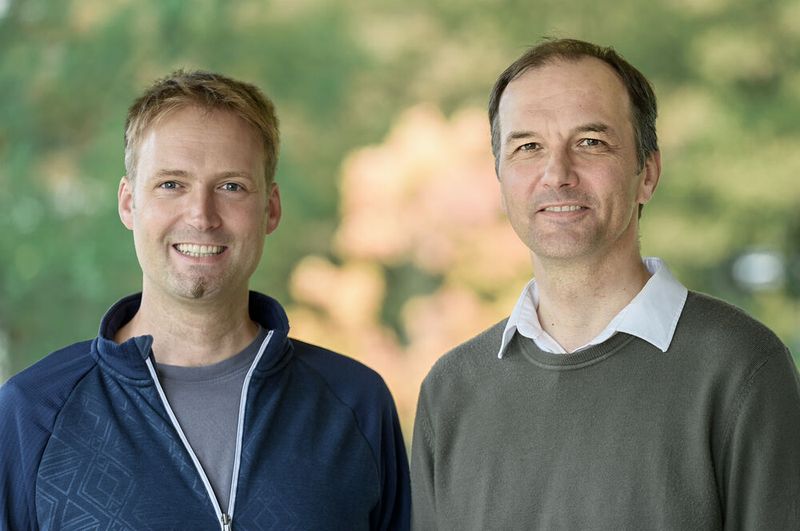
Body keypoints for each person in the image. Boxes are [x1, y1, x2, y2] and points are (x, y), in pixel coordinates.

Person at [411, 38, 800, 530]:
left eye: (590, 142)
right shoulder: (451, 391)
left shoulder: (741, 368)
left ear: (648, 173)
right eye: (528, 147)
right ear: (500, 179)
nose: (558, 174)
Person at [0, 70, 410, 530]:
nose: (201, 215)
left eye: (231, 186)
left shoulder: (356, 405)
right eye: (172, 184)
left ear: (270, 208)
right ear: (128, 202)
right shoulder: (32, 413)